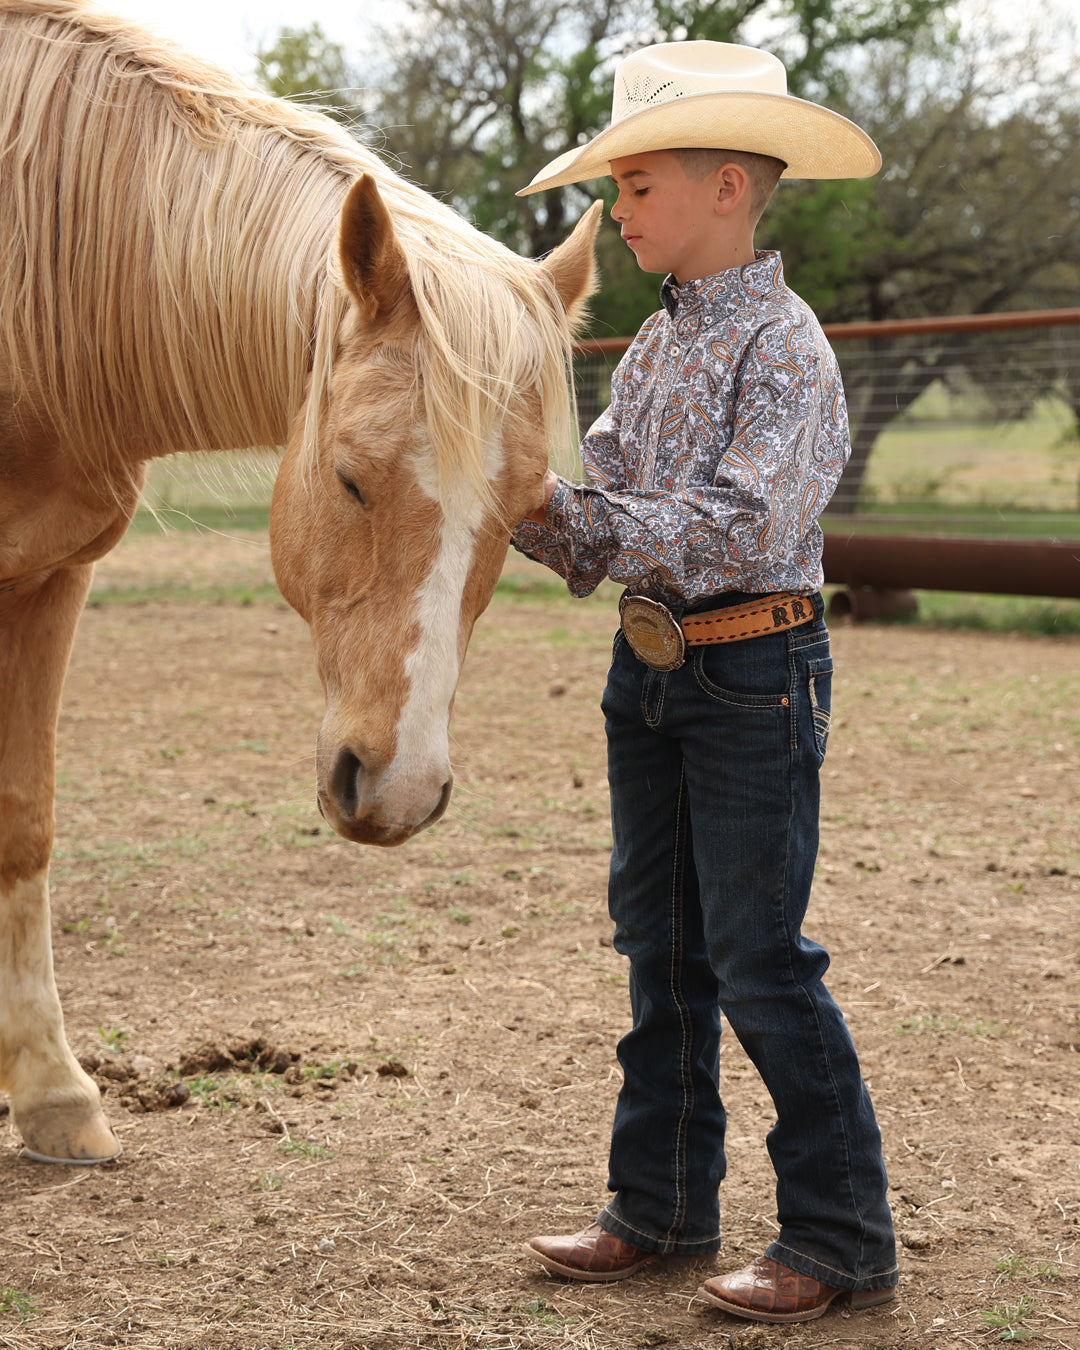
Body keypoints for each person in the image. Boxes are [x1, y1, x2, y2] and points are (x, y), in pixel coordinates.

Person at [510, 40, 898, 1325]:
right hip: (657, 673)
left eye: (633, 188)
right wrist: (516, 497)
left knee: (756, 954)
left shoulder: (786, 351)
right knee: (660, 944)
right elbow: (595, 518)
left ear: (725, 185)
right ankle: (662, 1203)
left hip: (754, 672)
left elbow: (732, 526)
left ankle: (839, 1235)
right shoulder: (655, 354)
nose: (615, 215)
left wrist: (574, 510)